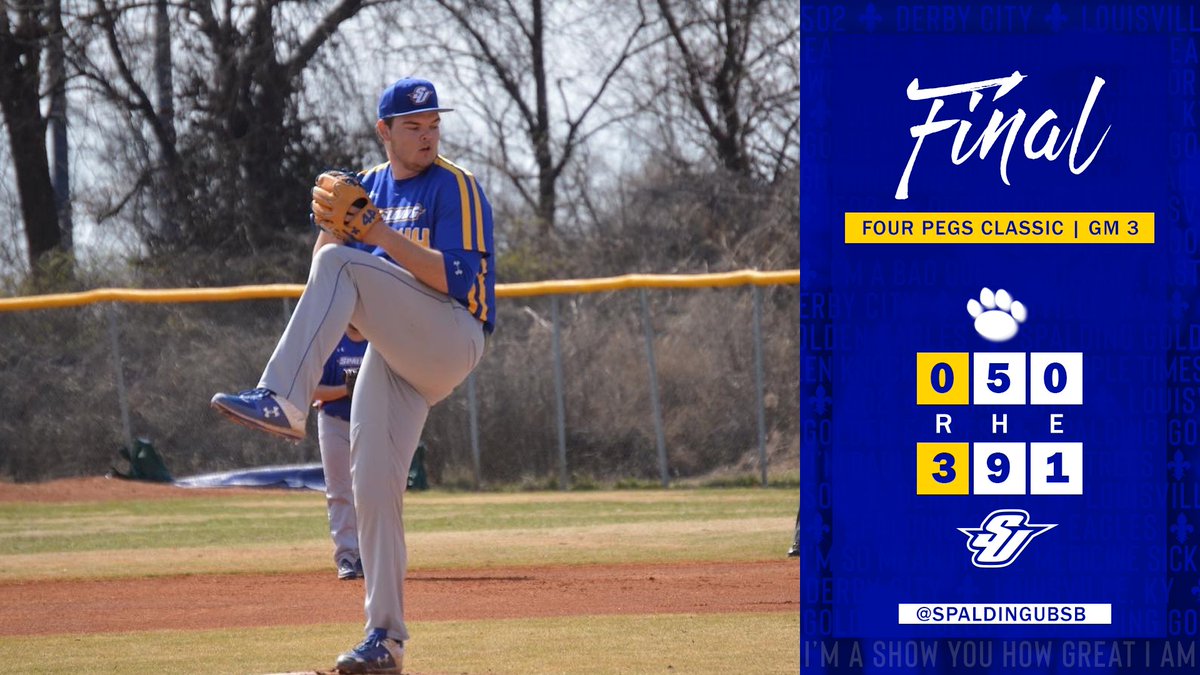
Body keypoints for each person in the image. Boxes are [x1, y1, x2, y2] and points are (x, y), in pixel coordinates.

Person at [210, 76, 495, 675]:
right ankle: (384, 641)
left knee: (347, 259)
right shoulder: (365, 186)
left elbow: (458, 282)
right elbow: (325, 265)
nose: (427, 134)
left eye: (434, 124)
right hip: (394, 357)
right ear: (384, 131)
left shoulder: (456, 187)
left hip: (452, 336)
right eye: (413, 126)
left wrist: (375, 236)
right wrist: (345, 246)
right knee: (372, 492)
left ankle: (283, 400)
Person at [312, 327, 369, 580]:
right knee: (339, 491)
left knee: (369, 492)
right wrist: (345, 390)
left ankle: (368, 557)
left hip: (370, 422)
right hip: (334, 421)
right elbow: (313, 390)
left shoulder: (377, 339)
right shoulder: (332, 340)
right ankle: (347, 556)